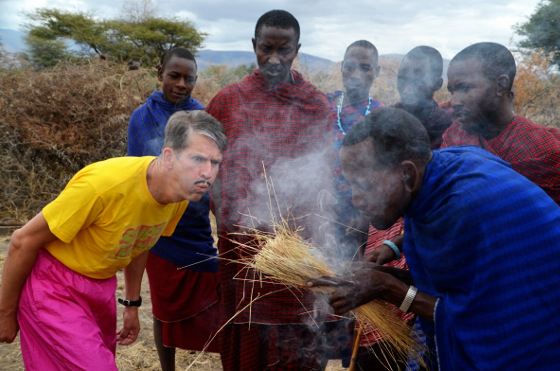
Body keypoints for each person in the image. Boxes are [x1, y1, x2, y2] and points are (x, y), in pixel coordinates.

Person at [308, 107, 560, 370]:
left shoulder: (463, 206)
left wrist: (386, 287)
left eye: (365, 186)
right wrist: (385, 268)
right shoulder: (440, 166)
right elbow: (449, 281)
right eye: (351, 185)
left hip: (534, 334)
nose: (356, 200)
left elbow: (477, 318)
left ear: (407, 174)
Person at [0, 110, 227, 371]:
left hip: (101, 287)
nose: (207, 173)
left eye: (215, 162)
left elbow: (140, 243)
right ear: (168, 156)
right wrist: (5, 313)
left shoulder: (178, 196)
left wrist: (131, 304)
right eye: (197, 159)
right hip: (54, 287)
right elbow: (22, 240)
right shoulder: (103, 186)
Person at [206, 9, 345, 370]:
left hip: (298, 245)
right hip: (244, 245)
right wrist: (226, 218)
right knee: (248, 330)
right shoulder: (228, 101)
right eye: (266, 48)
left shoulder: (314, 104)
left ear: (297, 49)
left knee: (297, 336)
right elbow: (209, 168)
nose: (274, 59)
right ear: (254, 46)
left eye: (284, 51)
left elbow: (326, 174)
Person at [127, 48, 220, 371]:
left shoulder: (203, 119)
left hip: (195, 227)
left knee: (214, 299)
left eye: (189, 78)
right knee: (162, 307)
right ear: (159, 74)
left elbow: (213, 171)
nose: (181, 84)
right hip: (157, 230)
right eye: (174, 76)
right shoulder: (141, 118)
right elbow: (134, 170)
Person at [441, 41, 560, 204]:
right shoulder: (453, 139)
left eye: (464, 88)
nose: (454, 102)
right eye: (452, 91)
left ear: (501, 86)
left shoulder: (543, 151)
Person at [394, 45, 455, 150]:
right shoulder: (387, 117)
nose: (406, 90)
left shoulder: (448, 126)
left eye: (417, 82)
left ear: (437, 84)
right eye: (402, 80)